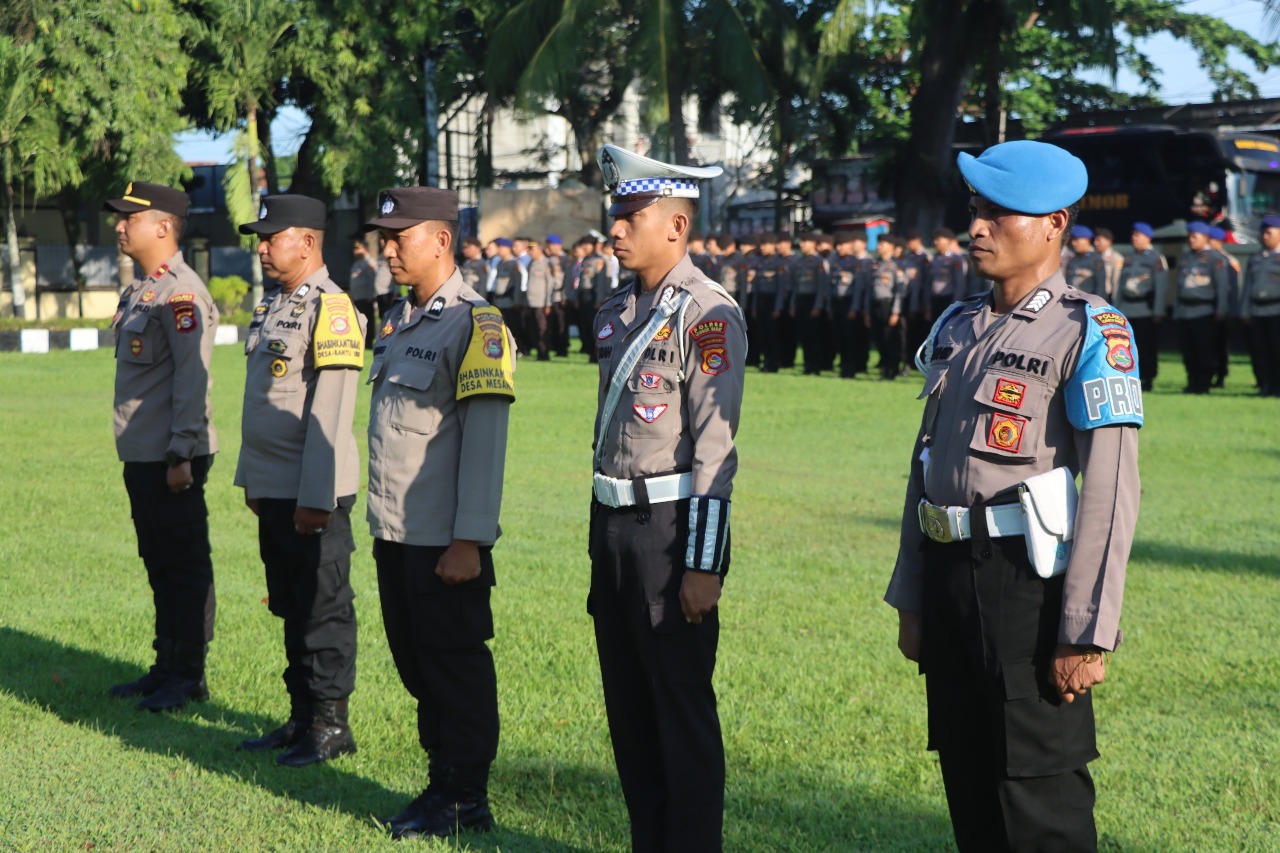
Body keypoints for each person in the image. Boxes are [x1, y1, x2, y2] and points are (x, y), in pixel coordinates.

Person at [886, 140, 1142, 852]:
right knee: (970, 791)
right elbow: (925, 466)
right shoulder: (957, 327)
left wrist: (1085, 629)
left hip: (1028, 586)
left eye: (1000, 213)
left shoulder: (1091, 330)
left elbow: (1112, 488)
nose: (977, 227)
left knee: (1038, 800)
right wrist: (912, 596)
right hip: (949, 579)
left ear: (1055, 223)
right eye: (975, 210)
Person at [591, 143, 746, 852]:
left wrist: (704, 564)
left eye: (630, 214)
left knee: (679, 713)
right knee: (629, 713)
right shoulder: (618, 310)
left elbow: (717, 452)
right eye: (615, 213)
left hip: (670, 533)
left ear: (676, 228)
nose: (615, 228)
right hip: (614, 527)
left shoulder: (707, 315)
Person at [364, 187, 516, 840]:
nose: (387, 248)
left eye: (400, 236)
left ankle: (466, 798)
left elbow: (485, 444)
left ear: (442, 240)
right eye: (384, 236)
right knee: (417, 666)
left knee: (454, 664)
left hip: (443, 541)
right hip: (396, 530)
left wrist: (469, 539)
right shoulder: (405, 319)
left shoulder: (476, 325)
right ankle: (440, 780)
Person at [233, 194, 366, 767]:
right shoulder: (275, 305)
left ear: (307, 241)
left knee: (323, 606)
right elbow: (262, 404)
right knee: (291, 603)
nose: (261, 247)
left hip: (314, 493)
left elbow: (330, 413)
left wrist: (317, 498)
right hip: (277, 487)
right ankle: (300, 715)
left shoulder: (332, 309)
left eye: (271, 237)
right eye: (259, 238)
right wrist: (254, 480)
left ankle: (331, 724)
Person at [105, 181, 219, 712]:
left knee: (184, 563)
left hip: (173, 455)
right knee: (158, 561)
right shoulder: (142, 290)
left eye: (130, 217)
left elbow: (191, 383)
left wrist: (181, 453)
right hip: (144, 452)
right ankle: (166, 664)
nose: (119, 225)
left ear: (163, 226)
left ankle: (189, 674)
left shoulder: (182, 293)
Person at [1174, 222, 1231, 394]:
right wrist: (1176, 310)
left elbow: (1222, 286)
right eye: (1189, 236)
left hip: (1204, 311)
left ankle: (1203, 384)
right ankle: (1191, 382)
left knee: (1204, 351)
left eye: (1195, 236)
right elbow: (1179, 287)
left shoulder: (1215, 259)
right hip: (1185, 311)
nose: (1191, 240)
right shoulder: (1185, 258)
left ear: (1205, 238)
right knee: (1188, 351)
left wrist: (1221, 310)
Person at [1112, 222, 1168, 392]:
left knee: (1145, 347)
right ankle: (1129, 377)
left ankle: (1148, 378)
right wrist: (1116, 310)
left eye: (1138, 235)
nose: (1133, 238)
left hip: (1145, 309)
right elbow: (1120, 286)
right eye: (1133, 235)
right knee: (1126, 347)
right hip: (1127, 309)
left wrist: (1158, 310)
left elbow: (1161, 286)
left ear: (1147, 238)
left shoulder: (1156, 259)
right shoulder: (1129, 258)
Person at [1240, 214, 1280, 396]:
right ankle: (1265, 385)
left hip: (1276, 311)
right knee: (1260, 352)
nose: (1265, 236)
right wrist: (1245, 311)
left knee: (1276, 351)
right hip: (1257, 311)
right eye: (1263, 232)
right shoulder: (1256, 258)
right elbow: (1248, 286)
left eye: (1269, 233)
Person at [785, 232, 831, 375]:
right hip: (800, 299)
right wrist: (792, 304)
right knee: (803, 334)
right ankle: (807, 364)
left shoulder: (819, 262)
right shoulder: (799, 262)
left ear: (813, 244)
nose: (802, 244)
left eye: (806, 242)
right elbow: (794, 285)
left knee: (814, 335)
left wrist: (818, 306)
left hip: (812, 300)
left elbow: (821, 286)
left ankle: (816, 365)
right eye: (801, 242)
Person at [866, 233, 906, 380]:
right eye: (879, 244)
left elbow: (899, 291)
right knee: (879, 338)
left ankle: (892, 370)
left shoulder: (897, 266)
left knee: (891, 339)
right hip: (875, 305)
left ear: (891, 247)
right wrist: (867, 310)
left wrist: (895, 311)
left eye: (883, 244)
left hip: (888, 305)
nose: (879, 247)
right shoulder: (875, 264)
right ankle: (884, 369)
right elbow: (870, 288)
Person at [1207, 226, 1240, 388]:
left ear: (1219, 241)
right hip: (1208, 309)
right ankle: (1209, 374)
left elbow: (1232, 289)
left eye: (1211, 240)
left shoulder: (1229, 261)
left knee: (1221, 346)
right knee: (1208, 346)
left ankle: (1220, 376)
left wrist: (1231, 312)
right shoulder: (1205, 259)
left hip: (1223, 311)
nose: (1208, 243)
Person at [524, 238, 555, 360]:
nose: (530, 252)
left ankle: (544, 353)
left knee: (542, 329)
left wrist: (548, 303)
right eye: (529, 249)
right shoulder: (531, 263)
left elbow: (550, 285)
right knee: (534, 330)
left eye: (532, 249)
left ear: (540, 249)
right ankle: (539, 352)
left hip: (541, 303)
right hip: (531, 302)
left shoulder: (546, 263)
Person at [927, 227, 966, 320]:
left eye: (938, 239)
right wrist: (927, 304)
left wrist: (955, 305)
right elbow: (929, 282)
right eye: (934, 239)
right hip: (934, 300)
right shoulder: (935, 258)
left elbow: (960, 284)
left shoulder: (955, 259)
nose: (935, 242)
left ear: (948, 241)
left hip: (948, 300)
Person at [349, 240, 379, 348]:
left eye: (358, 248)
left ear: (365, 249)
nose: (355, 251)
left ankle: (368, 343)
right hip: (357, 297)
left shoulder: (369, 262)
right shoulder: (357, 263)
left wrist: (371, 296)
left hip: (366, 298)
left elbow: (373, 280)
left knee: (367, 322)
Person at [1064, 225, 1108, 296]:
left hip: (1088, 303)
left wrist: (1096, 305)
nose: (1073, 243)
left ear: (1086, 240)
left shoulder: (1096, 260)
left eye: (1076, 240)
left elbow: (1100, 288)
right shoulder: (1072, 259)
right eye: (1072, 240)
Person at [1092, 227, 1123, 298]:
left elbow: (1116, 282)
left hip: (1107, 297)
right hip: (1093, 296)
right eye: (1095, 240)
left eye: (1099, 240)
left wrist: (1115, 301)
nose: (1095, 243)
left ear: (1109, 241)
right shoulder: (1094, 257)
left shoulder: (1116, 258)